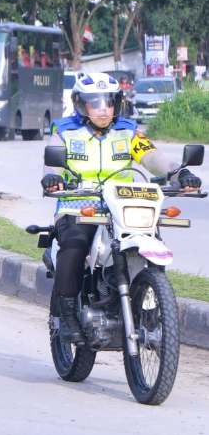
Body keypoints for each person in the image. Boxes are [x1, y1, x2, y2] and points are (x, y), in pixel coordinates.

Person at [41, 73, 202, 343]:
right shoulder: (65, 132)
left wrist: (179, 173)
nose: (103, 109)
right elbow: (52, 165)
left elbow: (153, 157)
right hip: (79, 204)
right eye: (95, 103)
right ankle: (67, 316)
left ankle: (149, 303)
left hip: (123, 204)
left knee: (152, 238)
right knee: (75, 245)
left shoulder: (129, 132)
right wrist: (52, 178)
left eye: (109, 102)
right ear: (81, 104)